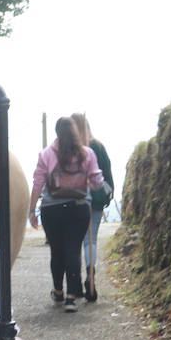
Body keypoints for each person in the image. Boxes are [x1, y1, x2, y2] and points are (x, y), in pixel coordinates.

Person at [29, 116, 105, 312]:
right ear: (75, 133)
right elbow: (96, 181)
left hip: (51, 208)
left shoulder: (46, 154)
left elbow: (38, 183)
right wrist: (97, 185)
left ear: (56, 133)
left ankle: (58, 292)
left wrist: (31, 210)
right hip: (78, 207)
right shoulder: (87, 154)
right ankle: (71, 297)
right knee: (73, 250)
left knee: (57, 251)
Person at [71, 112, 113, 301]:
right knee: (91, 240)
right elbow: (108, 175)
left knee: (74, 242)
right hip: (95, 200)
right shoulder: (98, 146)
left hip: (73, 200)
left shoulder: (69, 149)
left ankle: (76, 284)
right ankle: (91, 276)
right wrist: (107, 195)